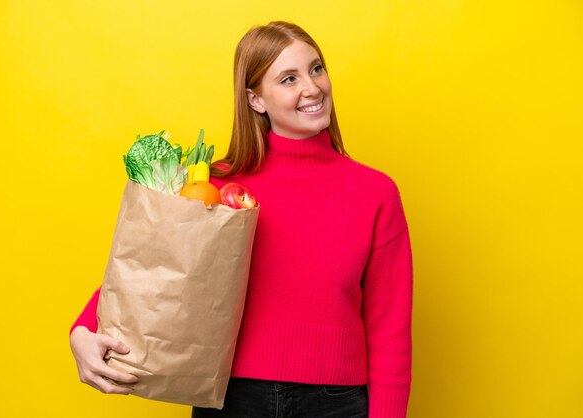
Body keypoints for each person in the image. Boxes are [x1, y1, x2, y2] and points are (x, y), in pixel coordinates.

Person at [70, 21, 413, 418]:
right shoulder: (214, 185)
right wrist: (82, 329)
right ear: (256, 100)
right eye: (289, 79)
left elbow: (390, 328)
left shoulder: (375, 193)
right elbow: (155, 270)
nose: (312, 88)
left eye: (316, 68)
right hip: (231, 398)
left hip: (336, 404)